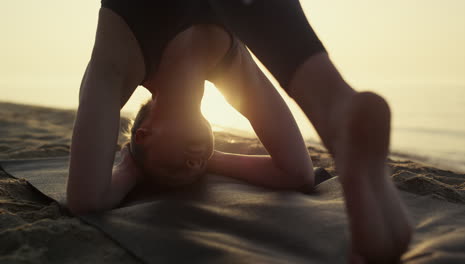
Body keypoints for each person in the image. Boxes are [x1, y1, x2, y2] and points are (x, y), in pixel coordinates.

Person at [67, 1, 413, 263]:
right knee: (324, 95)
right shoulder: (227, 63)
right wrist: (212, 161)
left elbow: (86, 198)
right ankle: (338, 106)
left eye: (172, 167)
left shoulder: (118, 64)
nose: (192, 166)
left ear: (144, 134)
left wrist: (129, 168)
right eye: (194, 171)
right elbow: (297, 173)